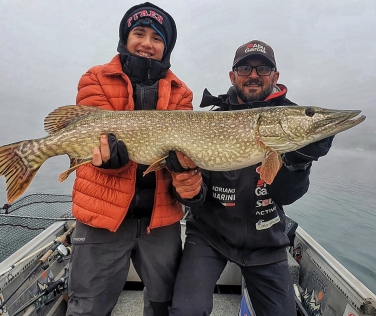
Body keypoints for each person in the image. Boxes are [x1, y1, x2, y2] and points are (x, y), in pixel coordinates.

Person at [167, 40, 334, 316]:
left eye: (263, 68)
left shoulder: (284, 125)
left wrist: (299, 161)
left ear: (275, 77)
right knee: (186, 311)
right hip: (210, 234)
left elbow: (286, 196)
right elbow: (195, 196)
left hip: (266, 240)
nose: (254, 75)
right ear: (232, 76)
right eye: (245, 68)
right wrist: (188, 188)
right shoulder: (212, 122)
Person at [65, 3, 194, 316]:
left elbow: (182, 154)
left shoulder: (181, 92)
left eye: (157, 38)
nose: (147, 43)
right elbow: (90, 131)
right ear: (126, 38)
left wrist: (182, 165)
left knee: (164, 303)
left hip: (159, 219)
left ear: (166, 48)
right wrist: (109, 159)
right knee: (89, 307)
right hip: (103, 216)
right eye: (139, 33)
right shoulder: (96, 77)